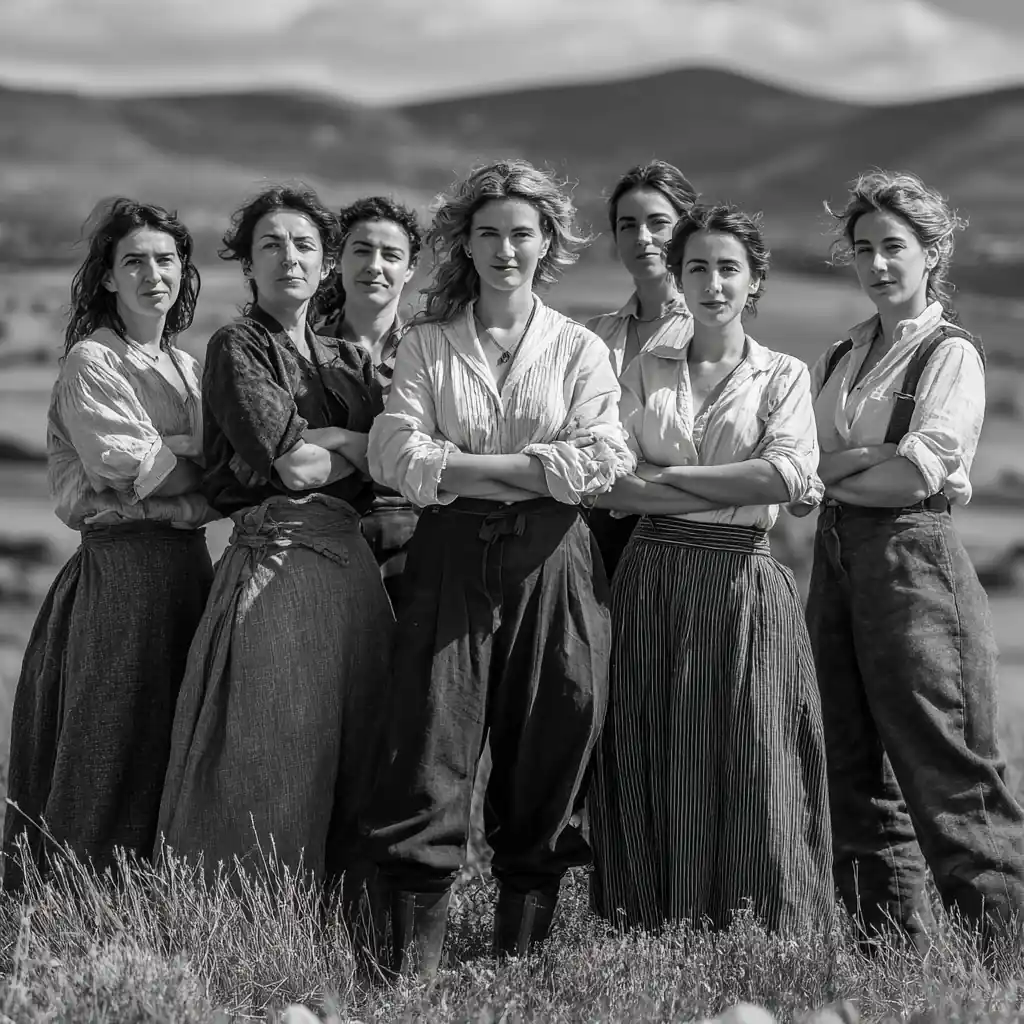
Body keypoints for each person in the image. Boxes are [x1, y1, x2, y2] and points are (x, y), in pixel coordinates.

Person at [360, 159, 634, 979]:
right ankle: (410, 978)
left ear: (547, 242)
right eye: (489, 234)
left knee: (553, 738)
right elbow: (395, 452)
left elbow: (603, 459)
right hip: (448, 560)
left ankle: (520, 974)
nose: (505, 249)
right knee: (429, 744)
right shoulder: (427, 342)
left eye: (521, 233)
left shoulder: (581, 348)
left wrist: (461, 466)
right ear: (466, 243)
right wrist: (535, 468)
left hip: (555, 564)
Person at [587, 203, 834, 935]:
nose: (713, 283)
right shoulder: (642, 369)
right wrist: (729, 479)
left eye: (729, 268)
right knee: (648, 745)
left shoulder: (783, 374)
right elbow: (607, 482)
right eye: (698, 267)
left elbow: (784, 476)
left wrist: (664, 479)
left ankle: (761, 930)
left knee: (754, 753)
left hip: (742, 583)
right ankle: (647, 924)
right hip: (650, 578)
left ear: (755, 280)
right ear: (680, 276)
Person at [807, 170, 1024, 953]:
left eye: (894, 246)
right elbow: (804, 465)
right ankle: (888, 953)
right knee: (851, 765)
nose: (877, 263)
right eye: (864, 247)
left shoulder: (949, 354)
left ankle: (1005, 958)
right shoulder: (843, 352)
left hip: (915, 557)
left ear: (932, 253)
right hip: (835, 559)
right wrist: (867, 458)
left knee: (949, 766)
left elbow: (912, 477)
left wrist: (839, 469)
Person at [155, 185, 393, 883]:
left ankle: (344, 929)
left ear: (326, 265)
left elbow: (387, 463)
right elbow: (293, 467)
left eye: (303, 244)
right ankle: (248, 923)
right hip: (278, 562)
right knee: (271, 749)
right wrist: (350, 442)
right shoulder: (238, 346)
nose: (288, 257)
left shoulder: (348, 358)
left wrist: (338, 442)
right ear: (248, 265)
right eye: (271, 244)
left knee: (359, 752)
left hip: (353, 571)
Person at [2, 198, 214, 892]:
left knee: (171, 745)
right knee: (108, 744)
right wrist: (209, 461)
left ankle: (153, 907)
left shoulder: (187, 367)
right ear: (107, 277)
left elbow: (201, 473)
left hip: (189, 568)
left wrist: (188, 459)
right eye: (135, 262)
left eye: (166, 260)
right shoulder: (92, 362)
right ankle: (73, 910)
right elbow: (143, 471)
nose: (154, 274)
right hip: (121, 574)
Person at [585, 161, 698, 575]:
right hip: (594, 531)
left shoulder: (708, 332)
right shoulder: (593, 335)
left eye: (658, 223)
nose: (642, 237)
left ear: (686, 229)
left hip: (682, 533)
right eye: (628, 225)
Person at [319, 196, 423, 608]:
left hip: (420, 542)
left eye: (391, 255)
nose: (374, 266)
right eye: (361, 250)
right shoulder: (301, 352)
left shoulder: (432, 353)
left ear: (410, 268)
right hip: (327, 537)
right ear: (337, 260)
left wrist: (338, 438)